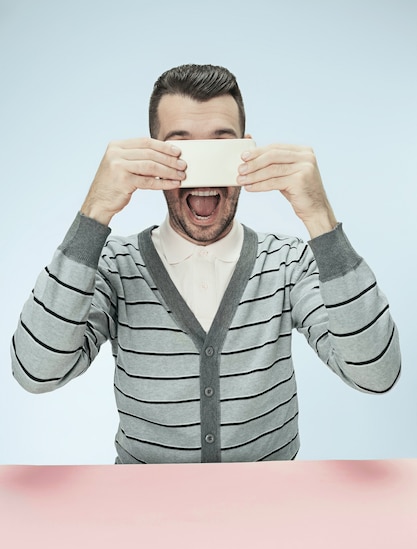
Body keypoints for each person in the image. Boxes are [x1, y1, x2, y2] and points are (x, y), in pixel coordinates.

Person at [11, 64, 401, 464]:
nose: (201, 169)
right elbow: (37, 372)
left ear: (246, 151)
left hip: (272, 513)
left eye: (220, 145)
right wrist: (93, 214)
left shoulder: (288, 262)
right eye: (180, 148)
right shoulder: (115, 267)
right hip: (141, 515)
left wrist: (320, 218)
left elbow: (376, 373)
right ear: (152, 155)